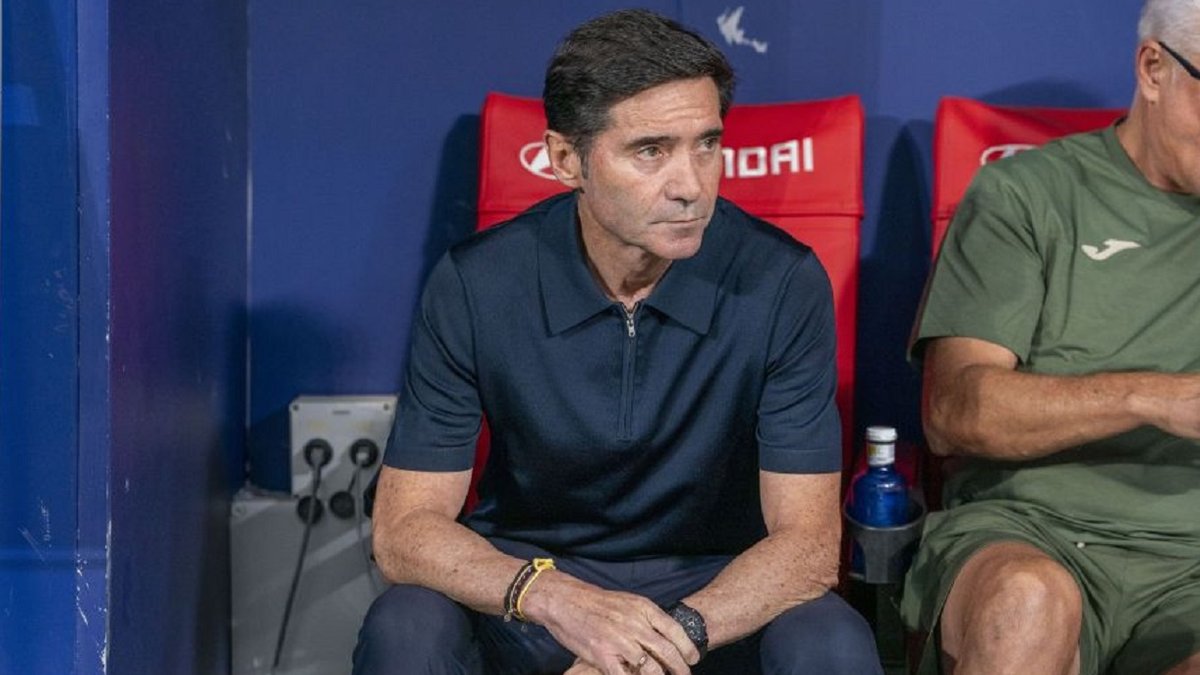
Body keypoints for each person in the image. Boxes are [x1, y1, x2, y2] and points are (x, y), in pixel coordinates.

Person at [352, 9, 881, 675]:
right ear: (565, 159)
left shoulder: (782, 280)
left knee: (830, 641)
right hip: (535, 582)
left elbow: (808, 547)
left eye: (707, 145)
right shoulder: (476, 283)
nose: (691, 186)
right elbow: (404, 532)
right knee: (405, 625)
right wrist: (554, 599)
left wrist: (654, 644)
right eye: (650, 151)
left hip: (714, 589)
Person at [901, 1, 1200, 674]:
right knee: (1028, 603)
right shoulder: (1026, 195)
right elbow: (953, 412)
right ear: (1154, 69)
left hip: (1190, 561)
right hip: (1031, 530)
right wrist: (1152, 398)